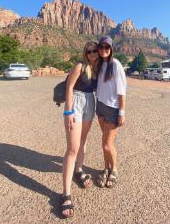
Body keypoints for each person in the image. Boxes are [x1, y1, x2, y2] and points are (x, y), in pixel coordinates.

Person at [60, 41, 99, 218]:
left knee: (83, 141)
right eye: (89, 51)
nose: (92, 53)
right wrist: (68, 112)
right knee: (72, 149)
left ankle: (79, 171)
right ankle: (66, 195)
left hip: (90, 102)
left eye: (95, 51)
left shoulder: (97, 68)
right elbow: (69, 87)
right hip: (75, 103)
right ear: (85, 52)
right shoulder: (80, 65)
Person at [95, 36, 127, 189]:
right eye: (100, 47)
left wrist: (122, 112)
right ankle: (106, 168)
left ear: (111, 49)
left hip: (113, 109)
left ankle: (114, 170)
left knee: (108, 144)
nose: (103, 50)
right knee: (104, 143)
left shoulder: (116, 65)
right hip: (100, 106)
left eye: (106, 47)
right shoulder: (100, 64)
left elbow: (122, 92)